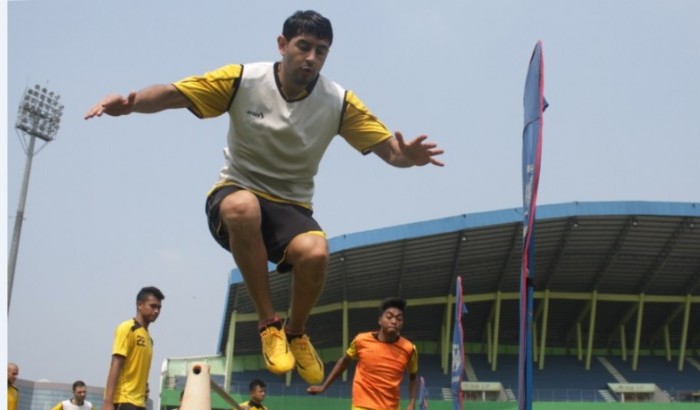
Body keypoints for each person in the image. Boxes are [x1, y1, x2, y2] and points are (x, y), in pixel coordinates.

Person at [83, 9, 444, 387]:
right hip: (236, 191)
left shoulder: (337, 102)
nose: (311, 58)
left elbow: (391, 150)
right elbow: (175, 93)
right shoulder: (243, 80)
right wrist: (130, 103)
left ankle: (295, 331)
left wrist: (410, 158)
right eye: (303, 47)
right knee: (243, 206)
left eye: (321, 52)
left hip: (292, 207)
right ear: (282, 44)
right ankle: (269, 322)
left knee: (317, 252)